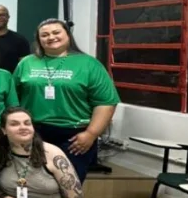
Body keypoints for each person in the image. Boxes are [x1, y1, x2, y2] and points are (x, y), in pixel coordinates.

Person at [13, 19, 120, 183]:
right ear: (39, 39)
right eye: (45, 35)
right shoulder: (26, 63)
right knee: (33, 182)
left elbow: (105, 102)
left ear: (67, 35)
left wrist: (91, 134)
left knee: (69, 182)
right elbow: (14, 98)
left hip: (74, 136)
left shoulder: (89, 64)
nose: (51, 37)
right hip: (33, 132)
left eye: (56, 33)